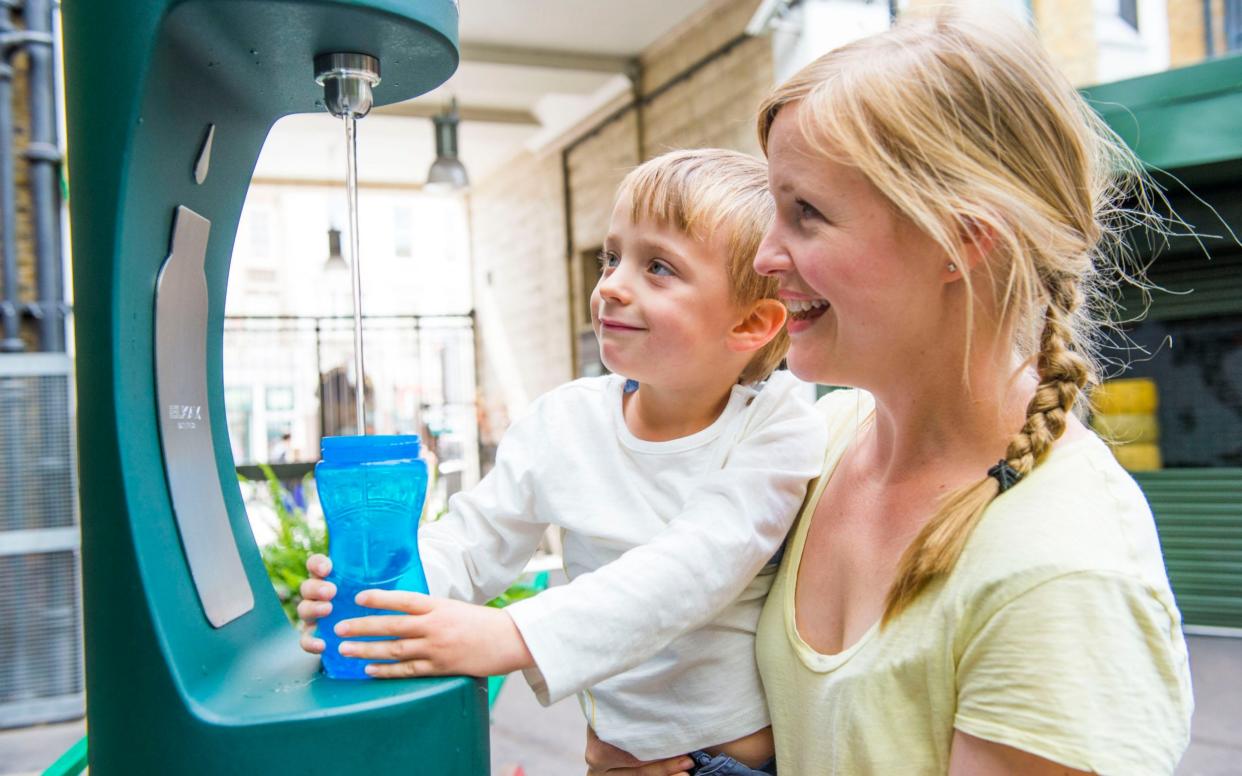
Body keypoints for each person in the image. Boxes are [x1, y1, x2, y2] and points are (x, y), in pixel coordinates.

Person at [587, 8, 1193, 776]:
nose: (766, 253)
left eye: (806, 213)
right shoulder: (820, 441)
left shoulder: (1060, 573)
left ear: (959, 241)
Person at [299, 149, 828, 774]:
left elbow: (690, 569)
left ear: (750, 324)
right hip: (621, 760)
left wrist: (507, 636)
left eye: (657, 267)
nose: (609, 285)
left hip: (736, 764)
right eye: (612, 256)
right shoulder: (565, 422)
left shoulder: (777, 423)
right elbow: (474, 539)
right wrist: (391, 598)